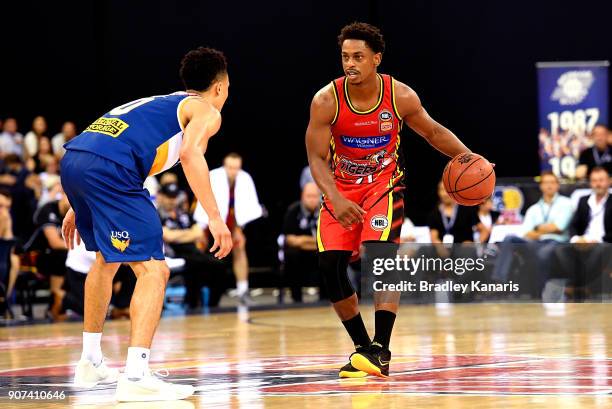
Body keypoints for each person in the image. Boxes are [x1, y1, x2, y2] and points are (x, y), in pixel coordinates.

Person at [60, 46, 233, 402]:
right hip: (110, 170)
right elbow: (190, 154)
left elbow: (111, 138)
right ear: (219, 86)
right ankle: (137, 374)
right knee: (155, 271)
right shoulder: (205, 109)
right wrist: (215, 218)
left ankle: (91, 361)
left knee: (106, 262)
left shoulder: (162, 101)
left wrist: (82, 197)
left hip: (77, 160)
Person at [305, 22, 472, 378]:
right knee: (329, 267)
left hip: (383, 185)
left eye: (358, 57)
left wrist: (470, 157)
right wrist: (335, 197)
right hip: (340, 188)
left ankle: (382, 345)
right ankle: (364, 349)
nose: (350, 63)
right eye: (345, 56)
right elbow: (317, 159)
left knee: (379, 256)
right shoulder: (326, 100)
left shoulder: (400, 96)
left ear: (376, 59)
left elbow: (433, 132)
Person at [193, 153, 263, 305]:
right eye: (230, 168)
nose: (233, 171)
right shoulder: (214, 176)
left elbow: (244, 207)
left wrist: (238, 229)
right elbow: (204, 202)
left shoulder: (244, 179)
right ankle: (195, 294)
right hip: (209, 222)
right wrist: (203, 228)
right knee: (199, 251)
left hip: (231, 224)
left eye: (236, 168)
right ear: (225, 166)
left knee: (240, 248)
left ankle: (243, 290)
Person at [491, 171, 574, 296]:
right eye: (546, 183)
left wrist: (537, 229)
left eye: (552, 182)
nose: (549, 186)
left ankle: (539, 292)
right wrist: (544, 230)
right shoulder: (533, 208)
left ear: (557, 185)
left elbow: (559, 227)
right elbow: (526, 233)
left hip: (557, 243)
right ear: (541, 186)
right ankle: (499, 282)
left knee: (543, 252)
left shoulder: (566, 203)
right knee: (509, 239)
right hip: (536, 243)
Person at [157, 183, 229, 308]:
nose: (172, 201)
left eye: (174, 197)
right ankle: (193, 304)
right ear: (161, 197)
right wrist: (189, 234)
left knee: (219, 265)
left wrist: (178, 235)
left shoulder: (183, 214)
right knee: (194, 266)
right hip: (172, 253)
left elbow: (199, 232)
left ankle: (213, 304)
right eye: (169, 197)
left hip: (193, 251)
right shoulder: (157, 214)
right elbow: (166, 236)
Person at [282, 182, 323, 302]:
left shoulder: (325, 210)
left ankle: (326, 299)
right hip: (300, 254)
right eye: (309, 196)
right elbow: (291, 240)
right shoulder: (293, 211)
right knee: (291, 254)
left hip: (319, 252)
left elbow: (329, 239)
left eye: (315, 196)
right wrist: (314, 242)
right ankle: (296, 298)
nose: (312, 200)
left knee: (329, 255)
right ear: (302, 196)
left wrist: (303, 240)